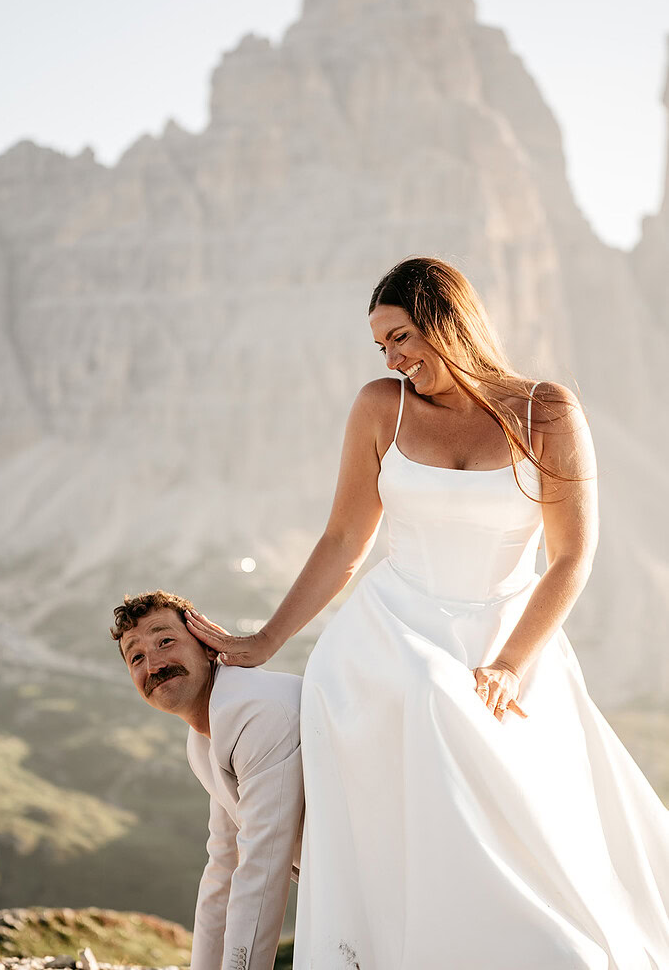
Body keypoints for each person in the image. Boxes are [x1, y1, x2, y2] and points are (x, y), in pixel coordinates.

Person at [185, 258, 669, 968]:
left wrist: (509, 664)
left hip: (509, 643)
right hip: (388, 636)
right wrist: (265, 641)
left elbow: (572, 556)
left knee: (545, 853)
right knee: (433, 697)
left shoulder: (547, 411)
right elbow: (343, 539)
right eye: (380, 345)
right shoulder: (382, 407)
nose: (392, 358)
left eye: (401, 336)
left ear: (448, 321)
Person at [110, 590, 304, 970]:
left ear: (208, 645)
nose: (154, 665)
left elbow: (261, 874)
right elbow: (223, 871)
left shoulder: (256, 713)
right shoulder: (204, 737)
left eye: (165, 641)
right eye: (137, 657)